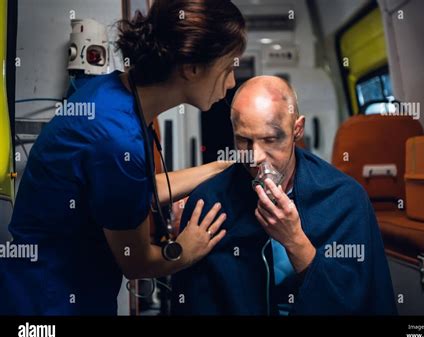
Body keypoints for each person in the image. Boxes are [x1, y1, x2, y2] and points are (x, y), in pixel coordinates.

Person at [0, 0, 246, 315]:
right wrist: (187, 249)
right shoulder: (116, 138)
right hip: (48, 302)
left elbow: (135, 191)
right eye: (228, 69)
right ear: (193, 68)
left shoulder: (114, 91)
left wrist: (222, 167)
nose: (231, 82)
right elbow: (135, 260)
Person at [171, 76, 397, 315]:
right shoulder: (210, 202)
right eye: (244, 140)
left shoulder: (344, 198)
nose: (255, 156)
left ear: (297, 129)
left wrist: (294, 240)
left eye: (270, 139)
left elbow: (356, 303)